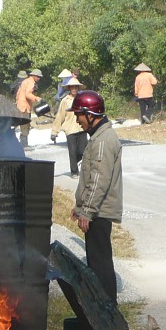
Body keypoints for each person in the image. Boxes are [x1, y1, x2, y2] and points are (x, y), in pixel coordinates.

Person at [70, 90, 123, 303]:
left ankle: (108, 309)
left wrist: (88, 211)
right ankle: (102, 307)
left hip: (99, 212)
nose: (77, 120)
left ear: (90, 114)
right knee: (96, 261)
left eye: (78, 115)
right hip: (95, 210)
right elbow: (91, 177)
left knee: (100, 264)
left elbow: (99, 180)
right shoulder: (99, 138)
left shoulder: (103, 141)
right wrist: (80, 205)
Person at [51, 76, 88, 178]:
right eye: (72, 87)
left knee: (82, 151)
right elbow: (60, 116)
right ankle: (74, 172)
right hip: (70, 129)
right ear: (69, 88)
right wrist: (54, 132)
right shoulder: (65, 101)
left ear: (78, 88)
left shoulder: (83, 99)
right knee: (72, 151)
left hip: (82, 128)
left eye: (75, 87)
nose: (74, 89)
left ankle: (76, 164)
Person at [15, 68, 42, 148]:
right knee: (25, 126)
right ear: (34, 76)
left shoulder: (25, 81)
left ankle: (21, 143)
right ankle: (24, 145)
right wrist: (37, 98)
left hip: (20, 106)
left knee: (21, 125)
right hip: (24, 108)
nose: (39, 78)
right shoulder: (31, 82)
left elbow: (18, 94)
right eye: (38, 76)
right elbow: (28, 94)